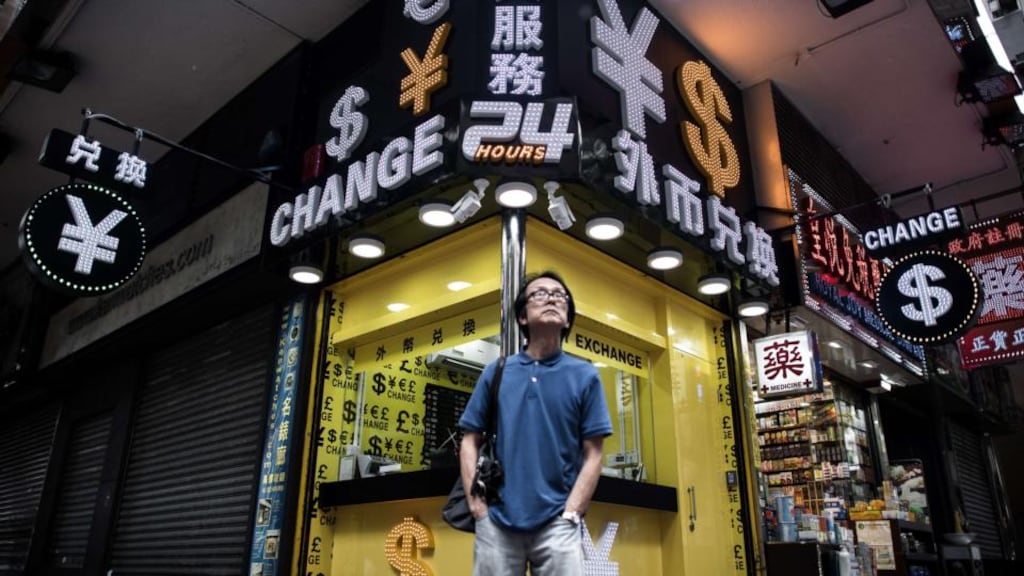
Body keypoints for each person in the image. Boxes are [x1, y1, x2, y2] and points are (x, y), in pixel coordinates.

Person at [458, 270, 613, 576]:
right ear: (522, 317)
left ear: (567, 320)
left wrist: (572, 512)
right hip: (496, 523)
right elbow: (469, 440)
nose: (552, 299)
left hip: (558, 524)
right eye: (540, 294)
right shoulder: (496, 371)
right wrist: (477, 507)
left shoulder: (585, 375)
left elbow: (594, 454)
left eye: (560, 295)